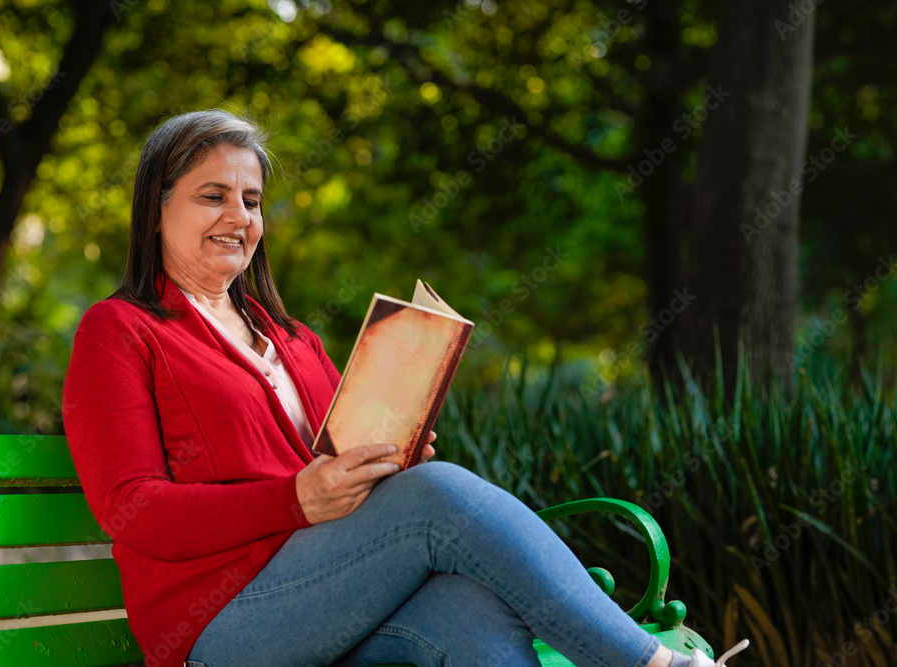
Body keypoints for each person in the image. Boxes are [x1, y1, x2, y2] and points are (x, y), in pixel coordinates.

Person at [61, 109, 750, 667]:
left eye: (252, 200)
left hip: (328, 590)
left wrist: (391, 452)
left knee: (470, 608)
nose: (238, 217)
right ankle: (649, 663)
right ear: (156, 210)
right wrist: (296, 497)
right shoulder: (120, 331)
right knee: (435, 496)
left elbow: (339, 459)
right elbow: (132, 509)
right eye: (212, 196)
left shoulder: (293, 339)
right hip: (220, 628)